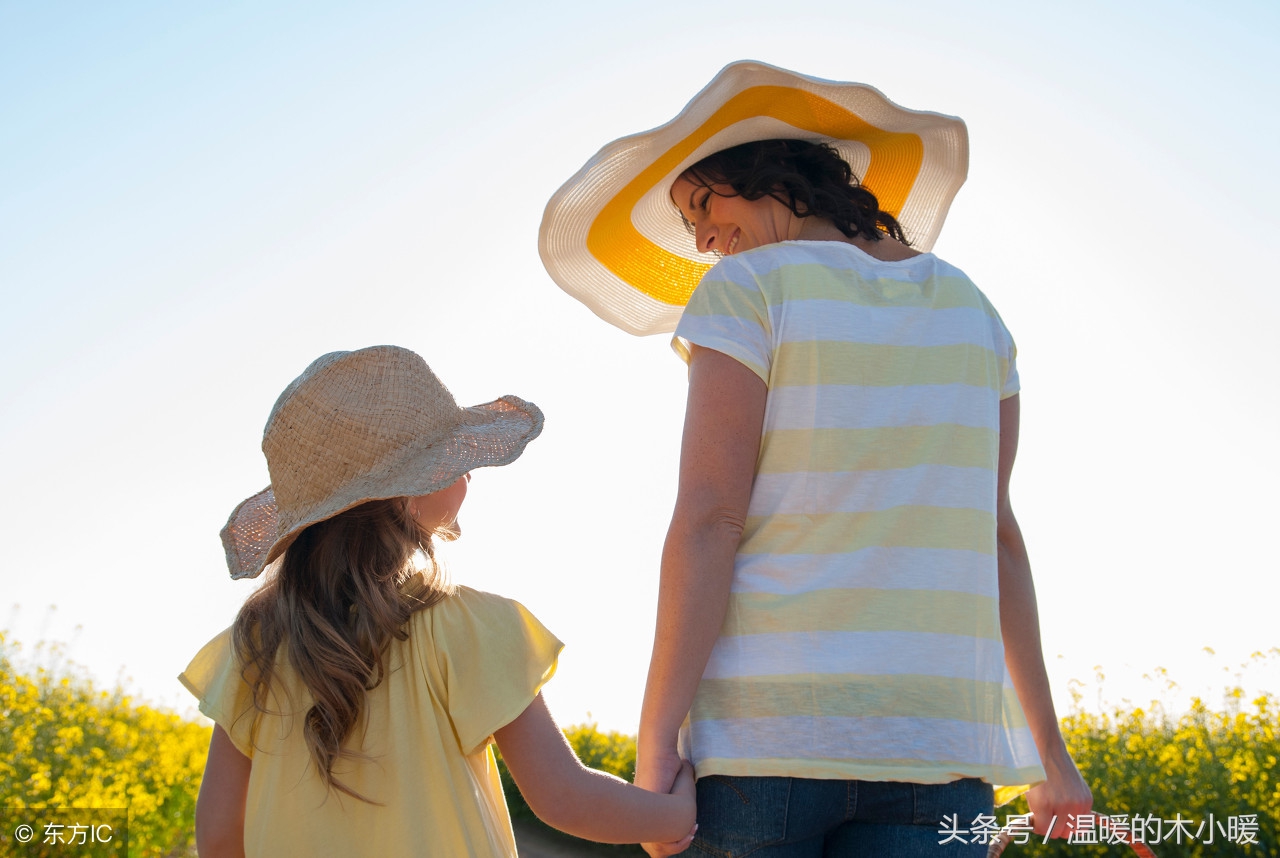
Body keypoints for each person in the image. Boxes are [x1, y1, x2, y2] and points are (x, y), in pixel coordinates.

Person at [538, 63, 1093, 857]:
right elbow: (996, 538)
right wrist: (1051, 757)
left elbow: (710, 519)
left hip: (764, 742)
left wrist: (657, 743)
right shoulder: (976, 312)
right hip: (937, 743)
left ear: (770, 177)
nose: (702, 241)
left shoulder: (749, 289)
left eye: (703, 207)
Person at [181, 345, 696, 858]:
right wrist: (674, 816)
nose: (467, 472)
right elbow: (564, 796)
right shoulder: (469, 628)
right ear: (408, 492)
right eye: (450, 460)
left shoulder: (253, 649)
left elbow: (220, 836)